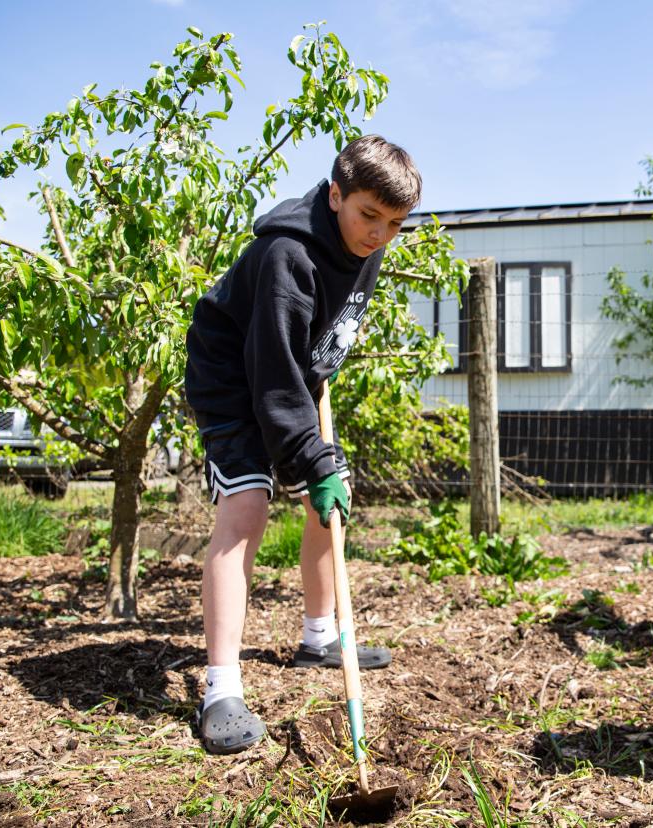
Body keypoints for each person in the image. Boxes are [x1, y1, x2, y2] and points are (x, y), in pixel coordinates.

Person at [184, 135, 419, 753]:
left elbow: (316, 340)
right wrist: (306, 447)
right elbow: (268, 371)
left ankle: (320, 638)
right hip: (233, 380)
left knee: (327, 500)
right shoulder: (288, 256)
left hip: (290, 377)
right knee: (246, 510)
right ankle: (221, 689)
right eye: (369, 215)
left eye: (394, 224)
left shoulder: (368, 246)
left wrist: (317, 425)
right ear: (336, 193)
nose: (379, 235)